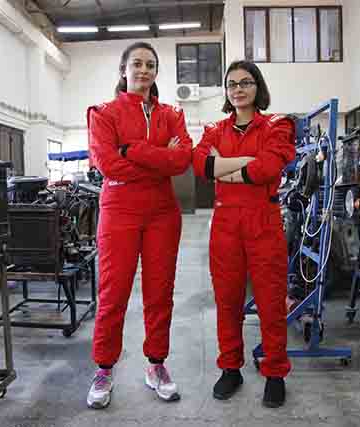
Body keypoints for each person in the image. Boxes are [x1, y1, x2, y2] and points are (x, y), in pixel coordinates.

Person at [86, 42, 192, 409]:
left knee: (160, 292)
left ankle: (156, 365)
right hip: (119, 211)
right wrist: (161, 159)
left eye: (150, 64)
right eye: (137, 63)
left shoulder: (172, 114)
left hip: (163, 212)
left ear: (156, 72)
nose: (143, 70)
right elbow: (108, 165)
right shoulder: (103, 114)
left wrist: (133, 150)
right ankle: (104, 368)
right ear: (124, 70)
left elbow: (183, 160)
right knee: (113, 292)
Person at [192, 60, 296, 408]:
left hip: (263, 221)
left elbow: (270, 166)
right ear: (226, 91)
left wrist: (225, 169)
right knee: (227, 301)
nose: (238, 89)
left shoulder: (278, 125)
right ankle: (230, 368)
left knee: (270, 301)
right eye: (232, 84)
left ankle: (275, 373)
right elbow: (201, 165)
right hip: (225, 225)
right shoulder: (213, 129)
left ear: (257, 87)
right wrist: (247, 162)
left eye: (246, 82)